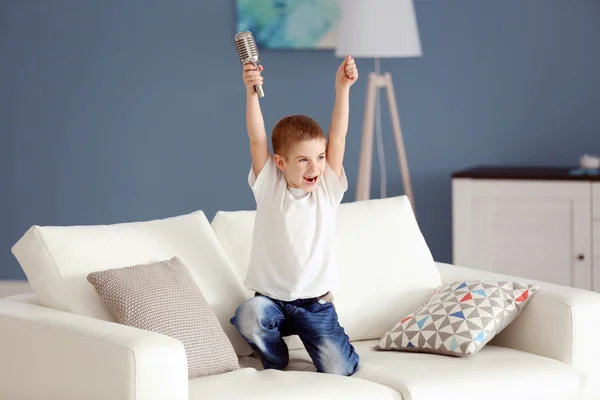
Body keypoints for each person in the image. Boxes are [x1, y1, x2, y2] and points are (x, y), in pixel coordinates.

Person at [230, 54, 359, 376]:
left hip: (315, 304)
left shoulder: (328, 188)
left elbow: (339, 136)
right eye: (303, 160)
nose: (314, 167)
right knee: (249, 314)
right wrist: (250, 91)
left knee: (339, 370)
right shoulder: (269, 187)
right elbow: (256, 138)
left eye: (319, 157)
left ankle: (333, 346)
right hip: (271, 301)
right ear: (280, 162)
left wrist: (342, 89)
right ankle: (275, 359)